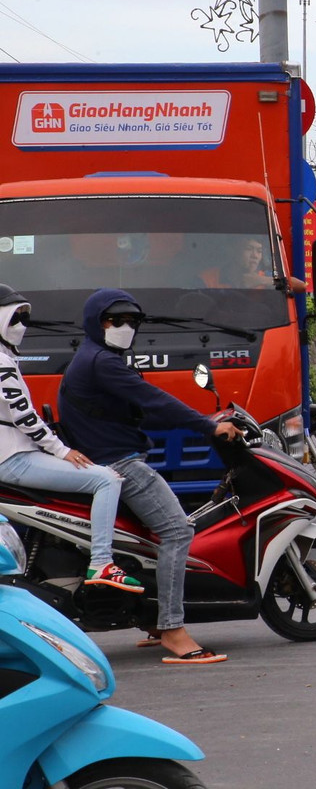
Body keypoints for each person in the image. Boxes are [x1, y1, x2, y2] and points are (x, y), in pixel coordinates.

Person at [58, 288, 242, 665]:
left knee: (156, 535)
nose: (124, 327)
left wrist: (203, 421)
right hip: (120, 463)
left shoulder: (97, 358)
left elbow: (143, 412)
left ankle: (158, 623)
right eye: (114, 320)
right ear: (96, 322)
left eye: (131, 321)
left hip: (107, 457)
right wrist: (208, 426)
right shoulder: (102, 362)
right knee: (178, 530)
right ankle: (173, 630)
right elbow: (153, 399)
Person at [0, 285, 142, 594]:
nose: (21, 327)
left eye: (25, 318)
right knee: (106, 480)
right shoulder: (2, 363)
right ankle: (102, 562)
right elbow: (24, 417)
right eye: (14, 318)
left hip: (14, 454)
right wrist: (62, 451)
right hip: (13, 458)